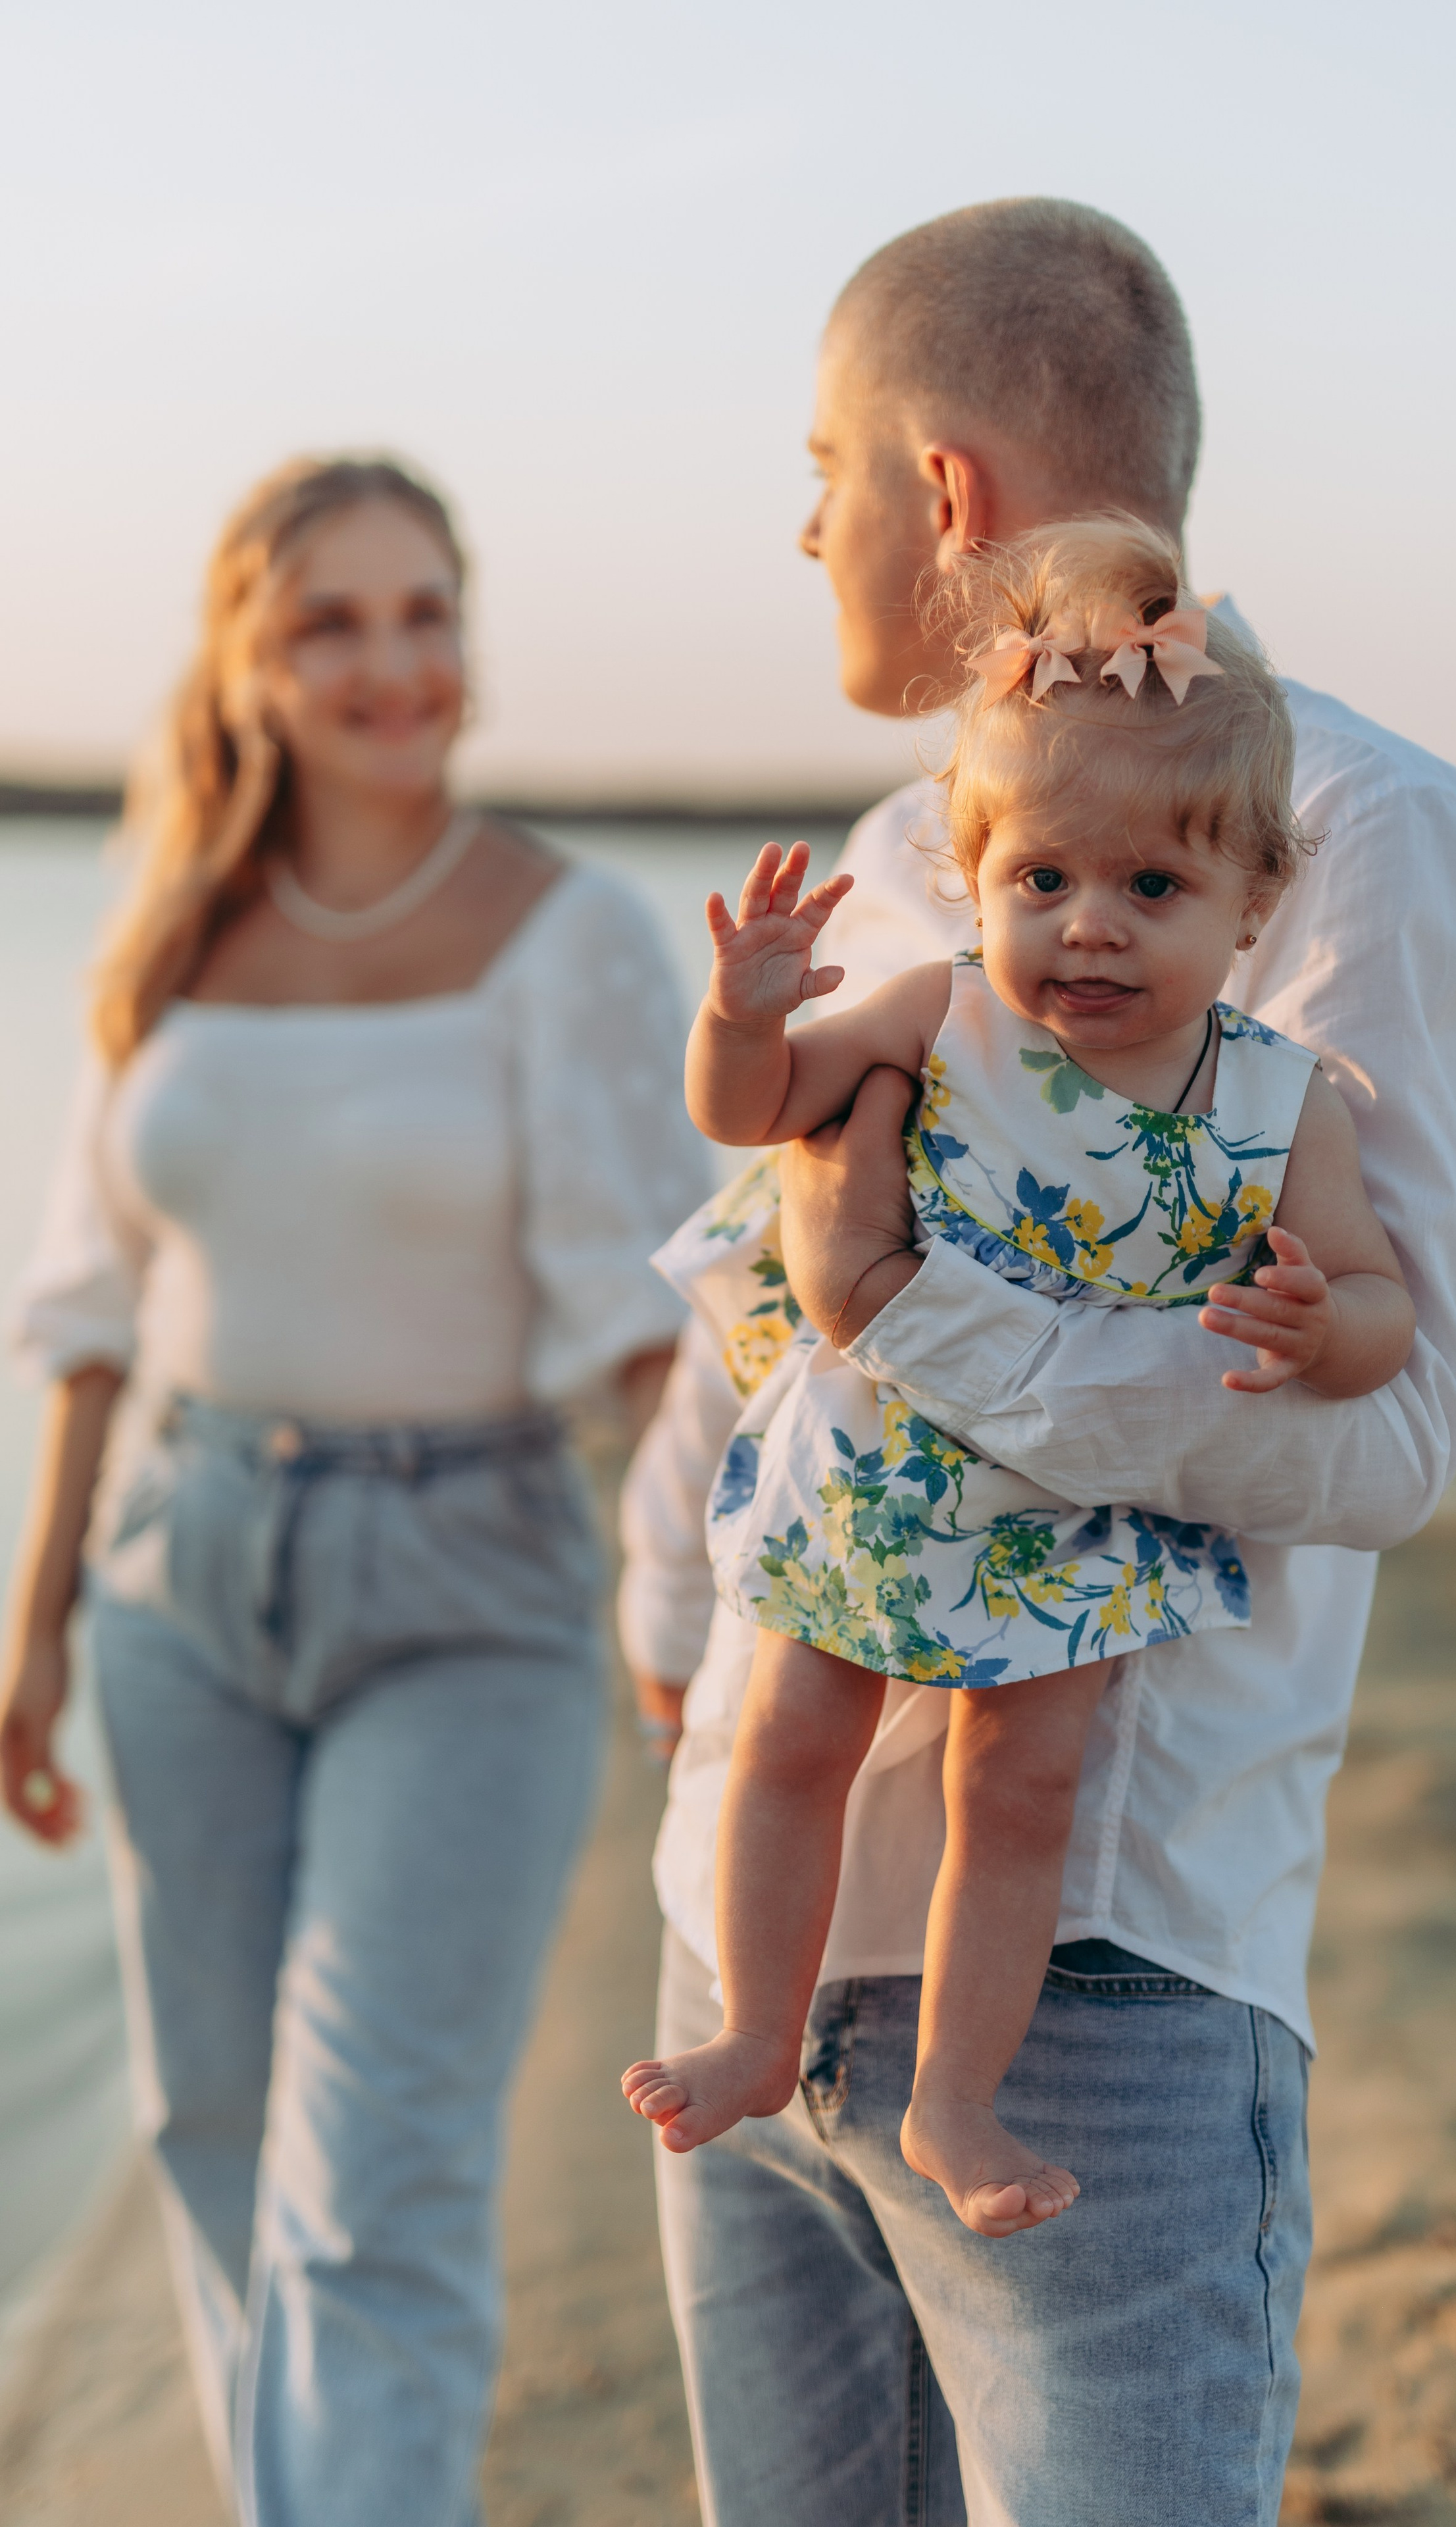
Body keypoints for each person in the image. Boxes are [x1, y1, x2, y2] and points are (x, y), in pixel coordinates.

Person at [620, 201, 1456, 2526]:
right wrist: (664, 1618)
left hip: (1101, 1967)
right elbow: (753, 1280)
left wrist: (905, 1309)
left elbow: (1378, 1433)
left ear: (935, 493)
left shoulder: (1359, 833)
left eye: (820, 466)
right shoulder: (896, 848)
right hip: (753, 1931)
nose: (800, 522)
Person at [0, 456, 709, 2527]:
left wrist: (728, 1608)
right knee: (212, 2137)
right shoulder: (174, 923)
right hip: (180, 1572)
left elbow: (649, 1326)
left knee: (373, 2181)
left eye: (427, 611)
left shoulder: (566, 932)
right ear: (248, 656)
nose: (394, 664)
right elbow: (90, 1303)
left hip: (465, 1579)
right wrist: (36, 1615)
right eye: (333, 621)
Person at [622, 514, 1415, 2239]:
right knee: (792, 1738)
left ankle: (956, 2104)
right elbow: (753, 1115)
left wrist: (1318, 1328)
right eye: (1041, 879)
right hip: (887, 1462)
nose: (1089, 930)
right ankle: (762, 2029)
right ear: (977, 876)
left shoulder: (1284, 1108)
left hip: (1074, 1508)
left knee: (1021, 1790)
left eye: (1154, 888)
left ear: (1253, 904)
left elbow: (1382, 1313)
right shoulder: (939, 1011)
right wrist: (747, 1015)